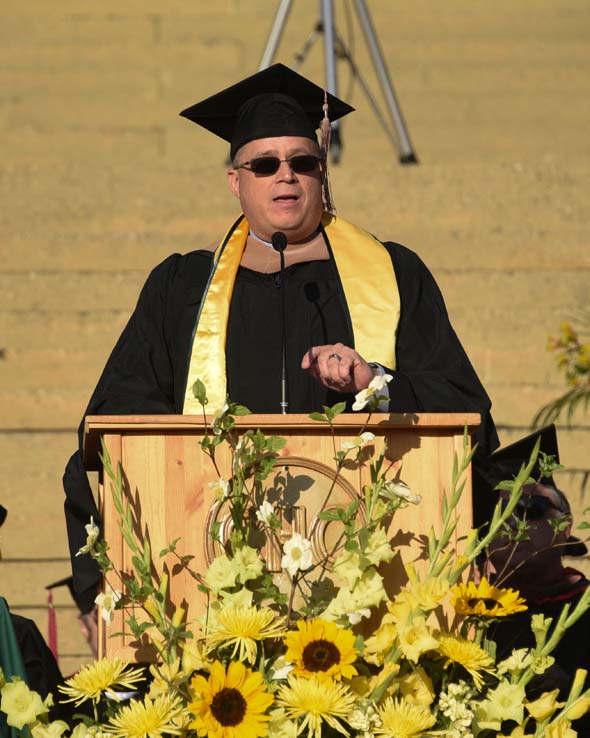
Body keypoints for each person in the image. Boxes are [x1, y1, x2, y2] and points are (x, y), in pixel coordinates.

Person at [64, 63, 498, 614]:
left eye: (303, 162)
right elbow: (112, 427)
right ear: (235, 181)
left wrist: (375, 382)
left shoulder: (393, 274)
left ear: (322, 174)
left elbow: (467, 416)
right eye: (264, 164)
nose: (285, 176)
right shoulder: (183, 288)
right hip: (210, 591)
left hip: (379, 585)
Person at [488, 481, 590, 729]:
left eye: (531, 508)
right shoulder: (461, 609)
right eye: (502, 509)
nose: (515, 522)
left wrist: (566, 685)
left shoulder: (585, 605)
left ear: (565, 526)